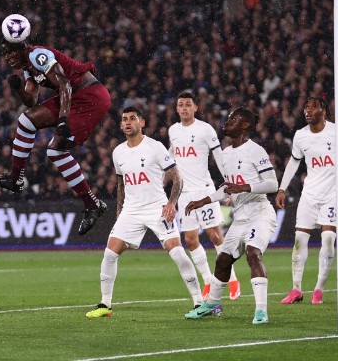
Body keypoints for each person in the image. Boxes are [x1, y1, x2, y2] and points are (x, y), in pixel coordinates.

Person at [0, 23, 112, 236]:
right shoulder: (28, 66)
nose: (6, 57)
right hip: (77, 96)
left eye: (9, 52)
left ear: (22, 47)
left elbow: (64, 84)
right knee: (28, 123)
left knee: (55, 149)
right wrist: (17, 89)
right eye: (4, 53)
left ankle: (92, 204)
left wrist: (62, 119)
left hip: (89, 96)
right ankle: (17, 179)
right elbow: (31, 101)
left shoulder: (37, 55)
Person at [85, 107, 202, 318]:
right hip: (131, 210)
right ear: (121, 125)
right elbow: (121, 182)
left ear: (142, 123)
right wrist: (120, 209)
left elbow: (177, 177)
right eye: (124, 120)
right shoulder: (118, 152)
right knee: (110, 253)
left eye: (132, 119)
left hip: (157, 208)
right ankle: (105, 304)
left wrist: (171, 203)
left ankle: (199, 302)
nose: (128, 122)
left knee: (177, 252)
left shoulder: (155, 147)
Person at [184, 108, 278, 325]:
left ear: (245, 125)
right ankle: (212, 305)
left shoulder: (256, 151)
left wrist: (244, 187)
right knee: (223, 260)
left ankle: (261, 312)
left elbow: (272, 184)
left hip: (260, 213)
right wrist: (204, 200)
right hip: (240, 217)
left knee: (253, 253)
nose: (227, 121)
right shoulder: (225, 154)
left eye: (233, 119)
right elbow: (228, 189)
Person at [276, 96, 338, 305]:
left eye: (314, 107)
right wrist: (282, 188)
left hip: (333, 195)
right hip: (309, 194)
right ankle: (296, 289)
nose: (308, 111)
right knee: (300, 239)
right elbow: (293, 163)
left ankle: (318, 289)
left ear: (324, 111)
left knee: (328, 239)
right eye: (306, 107)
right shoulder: (301, 136)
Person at [167, 90, 240, 301]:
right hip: (184, 194)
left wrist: (228, 185)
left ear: (195, 108)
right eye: (180, 105)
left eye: (188, 104)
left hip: (205, 190)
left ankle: (232, 279)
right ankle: (208, 280)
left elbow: (218, 156)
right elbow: (171, 155)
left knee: (216, 236)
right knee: (190, 240)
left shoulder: (205, 129)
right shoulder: (173, 130)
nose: (184, 108)